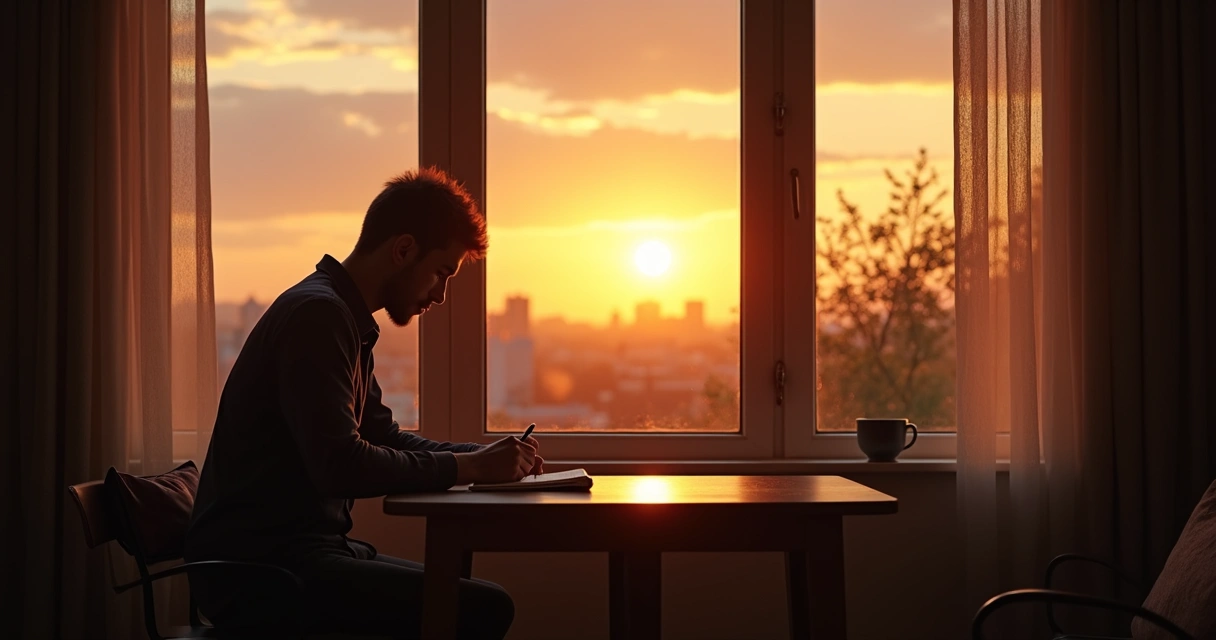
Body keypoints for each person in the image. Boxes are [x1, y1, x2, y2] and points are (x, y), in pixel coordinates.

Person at [186, 167, 540, 639]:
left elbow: (382, 437)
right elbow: (341, 465)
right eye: (441, 272)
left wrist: (478, 457)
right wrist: (473, 469)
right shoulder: (320, 316)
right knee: (483, 607)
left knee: (465, 598)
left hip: (298, 556)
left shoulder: (342, 316)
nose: (440, 295)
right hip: (262, 572)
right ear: (403, 249)